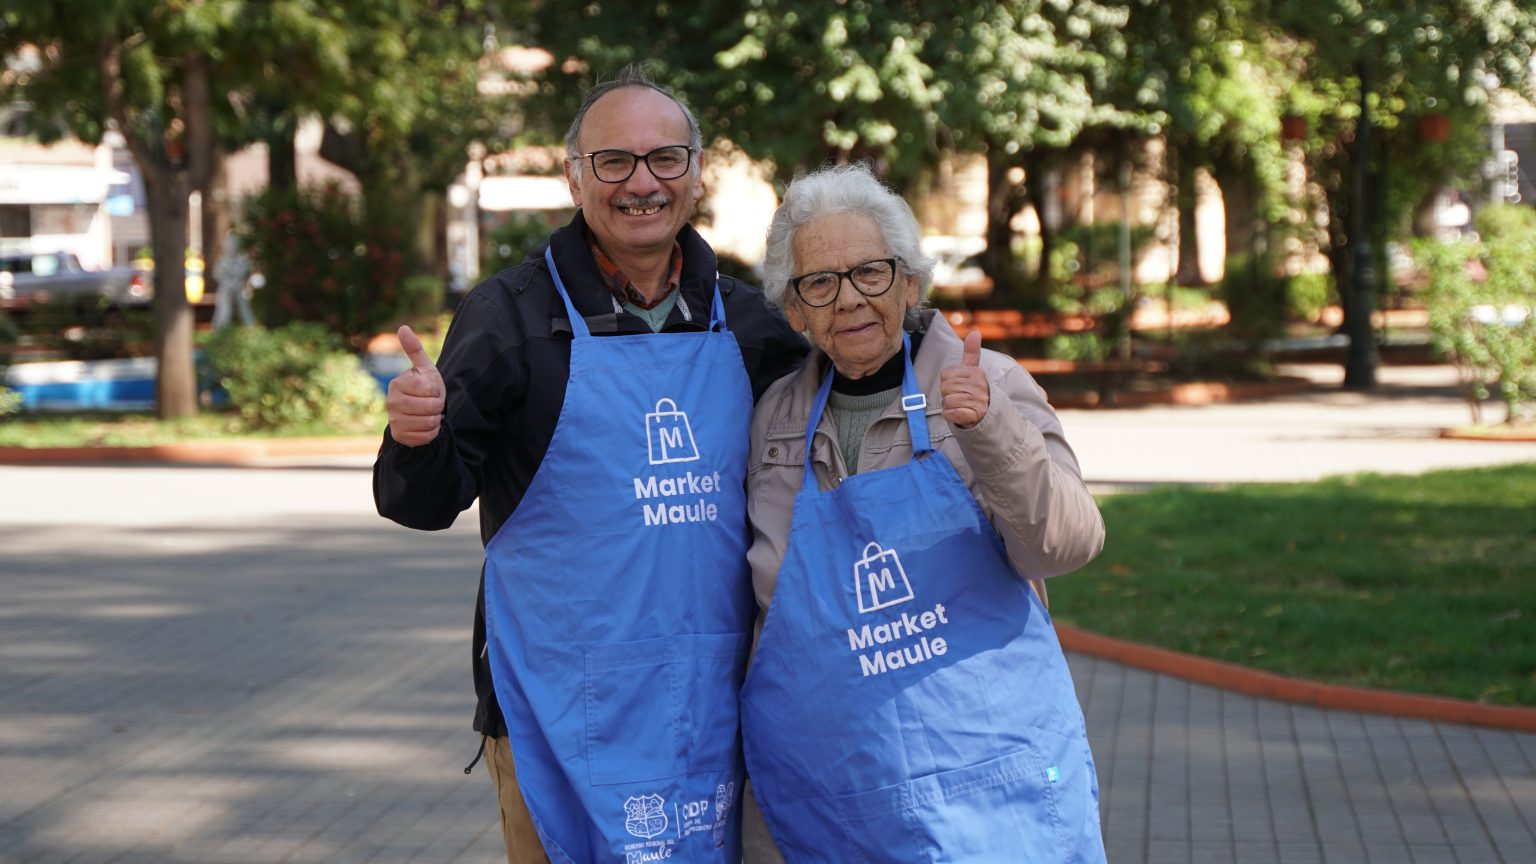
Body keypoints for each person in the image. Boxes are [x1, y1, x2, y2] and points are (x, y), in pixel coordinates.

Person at [373, 64, 806, 864]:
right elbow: (425, 503)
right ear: (576, 178)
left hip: (717, 712)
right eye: (614, 162)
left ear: (695, 174)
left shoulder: (751, 327)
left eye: (664, 159)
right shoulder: (509, 319)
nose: (641, 182)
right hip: (554, 713)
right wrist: (416, 434)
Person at [737, 163, 1108, 863]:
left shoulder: (986, 383)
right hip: (830, 798)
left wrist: (991, 430)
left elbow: (1067, 543)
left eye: (871, 272)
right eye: (820, 282)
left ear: (910, 281)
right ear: (794, 310)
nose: (849, 299)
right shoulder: (774, 420)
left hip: (981, 792)